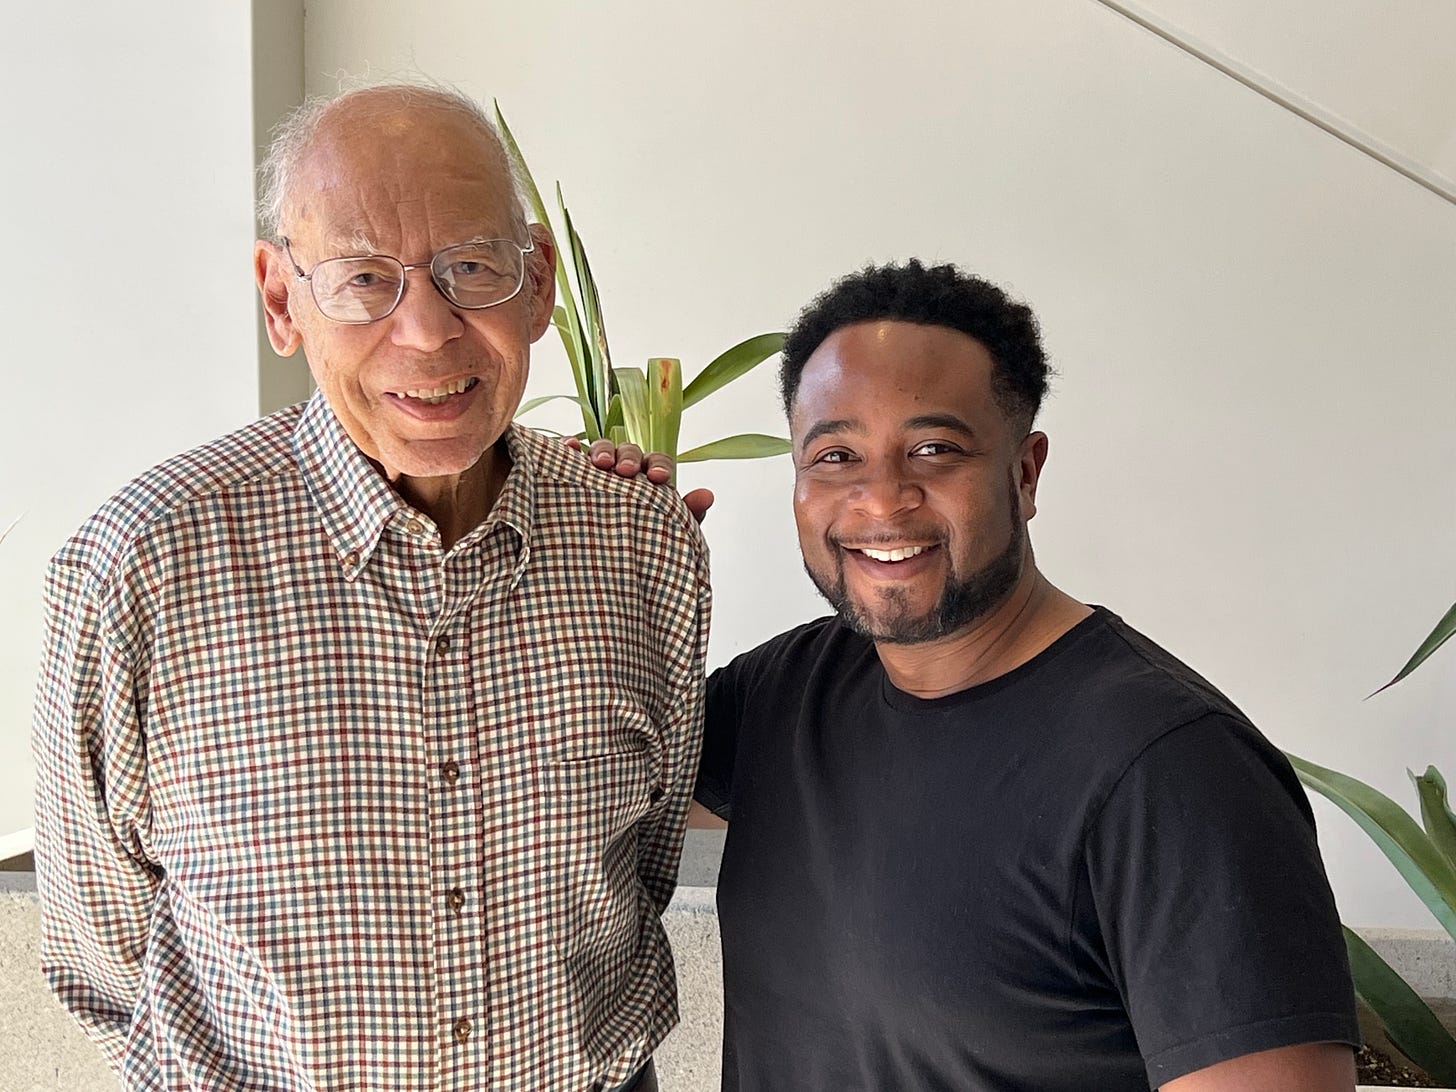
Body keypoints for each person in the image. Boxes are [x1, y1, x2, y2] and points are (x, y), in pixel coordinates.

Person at [32, 83, 708, 1092]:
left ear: (535, 283)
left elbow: (641, 867)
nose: (428, 333)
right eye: (361, 279)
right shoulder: (137, 570)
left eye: (471, 268)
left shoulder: (641, 544)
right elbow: (104, 947)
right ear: (280, 299)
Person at [620, 260, 1359, 1090]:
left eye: (934, 450)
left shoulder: (1171, 771)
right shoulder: (790, 691)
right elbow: (569, 788)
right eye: (835, 455)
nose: (881, 499)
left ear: (1026, 471)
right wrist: (592, 578)